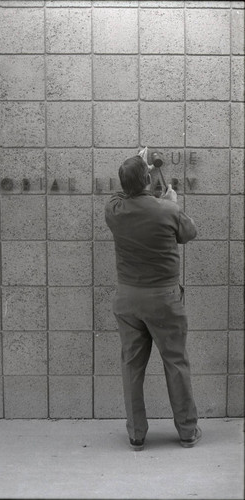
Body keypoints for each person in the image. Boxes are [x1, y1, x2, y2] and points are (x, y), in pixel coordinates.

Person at [105, 155, 201, 451]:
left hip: (128, 299)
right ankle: (186, 431)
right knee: (175, 362)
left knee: (132, 366)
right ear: (148, 180)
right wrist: (173, 202)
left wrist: (137, 170)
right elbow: (190, 233)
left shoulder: (114, 210)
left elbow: (125, 192)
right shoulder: (167, 210)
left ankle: (136, 434)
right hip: (164, 300)